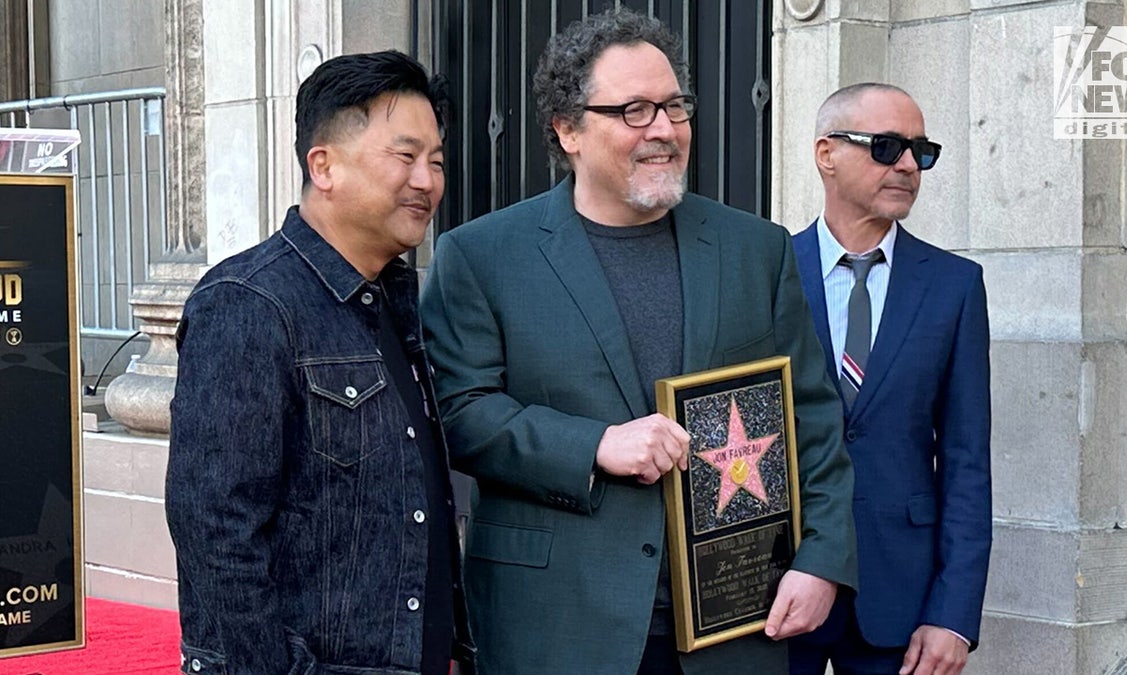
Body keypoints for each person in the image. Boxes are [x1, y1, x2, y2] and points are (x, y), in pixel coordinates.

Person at [420, 9, 856, 675]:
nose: (664, 129)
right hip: (557, 623)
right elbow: (458, 414)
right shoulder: (480, 256)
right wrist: (594, 445)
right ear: (567, 129)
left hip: (732, 625)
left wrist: (822, 559)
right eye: (634, 110)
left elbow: (811, 419)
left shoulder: (755, 249)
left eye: (675, 105)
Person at [165, 50, 474, 675]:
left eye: (436, 162)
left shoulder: (395, 299)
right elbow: (216, 527)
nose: (427, 181)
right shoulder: (248, 303)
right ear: (323, 165)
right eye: (405, 156)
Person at [787, 83, 992, 675]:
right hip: (780, 589)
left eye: (920, 151)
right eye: (885, 146)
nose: (907, 164)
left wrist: (954, 613)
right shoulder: (766, 269)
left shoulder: (954, 286)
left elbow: (966, 462)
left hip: (902, 601)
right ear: (826, 153)